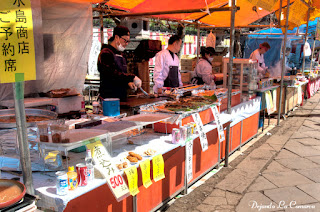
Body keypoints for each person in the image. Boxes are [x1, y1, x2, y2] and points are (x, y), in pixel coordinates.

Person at [97, 26, 142, 101]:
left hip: (121, 96)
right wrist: (132, 77)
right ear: (117, 37)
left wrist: (127, 83)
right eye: (125, 40)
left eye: (128, 41)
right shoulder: (106, 53)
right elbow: (111, 74)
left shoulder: (121, 54)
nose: (126, 44)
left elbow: (121, 74)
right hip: (109, 97)